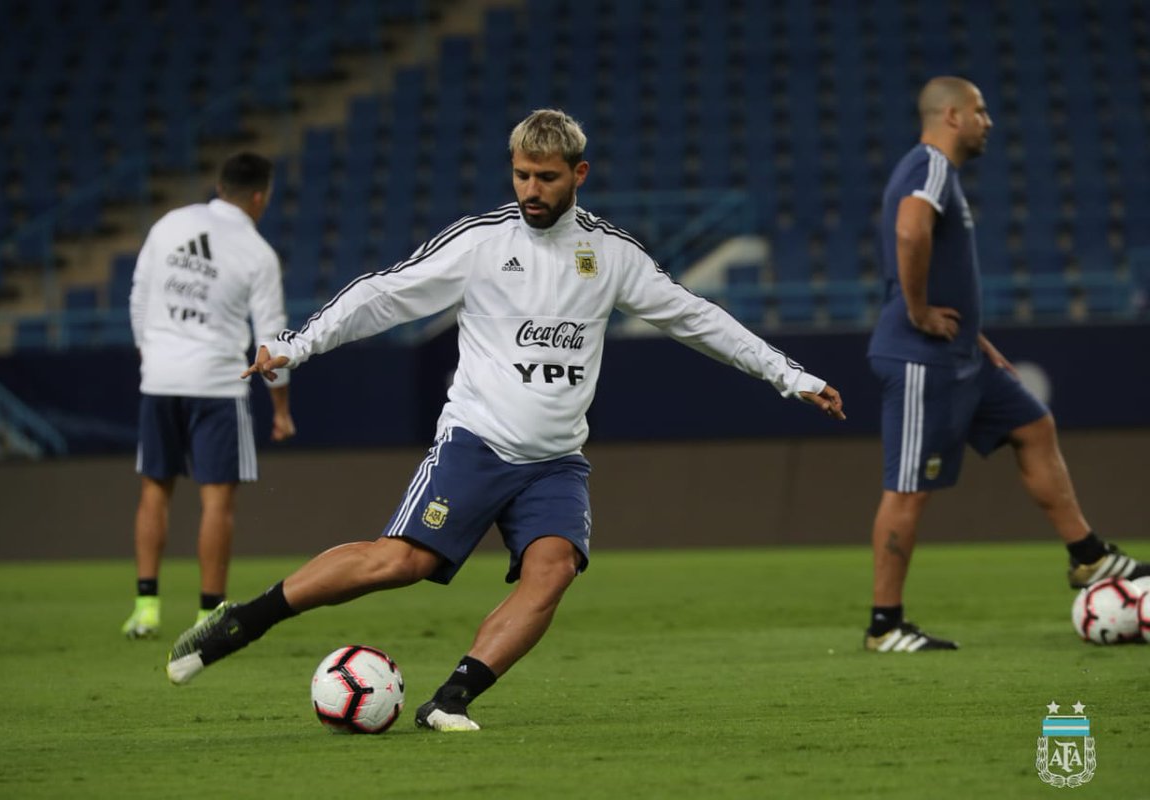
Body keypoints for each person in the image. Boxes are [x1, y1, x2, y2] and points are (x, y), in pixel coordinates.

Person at [165, 109, 845, 730]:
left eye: (546, 177)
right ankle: (244, 620)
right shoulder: (481, 243)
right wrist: (299, 343)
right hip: (477, 441)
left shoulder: (611, 255)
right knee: (400, 561)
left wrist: (791, 376)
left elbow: (697, 318)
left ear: (578, 174)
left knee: (555, 569)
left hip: (556, 460)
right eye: (521, 175)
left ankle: (449, 700)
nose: (531, 190)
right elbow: (383, 295)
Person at [863, 77, 1148, 652]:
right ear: (951, 116)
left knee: (1032, 424)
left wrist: (975, 336)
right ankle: (885, 626)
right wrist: (918, 313)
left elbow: (935, 261)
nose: (988, 121)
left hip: (962, 353)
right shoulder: (929, 165)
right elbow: (909, 231)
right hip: (921, 359)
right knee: (909, 489)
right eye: (980, 110)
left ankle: (1088, 556)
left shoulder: (939, 173)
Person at [122, 152, 296, 639]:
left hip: (160, 379)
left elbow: (138, 298)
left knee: (154, 489)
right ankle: (208, 615)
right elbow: (271, 340)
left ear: (220, 186)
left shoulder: (169, 224)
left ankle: (145, 608)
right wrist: (281, 409)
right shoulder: (258, 253)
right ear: (260, 196)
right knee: (216, 502)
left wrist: (151, 356)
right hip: (217, 384)